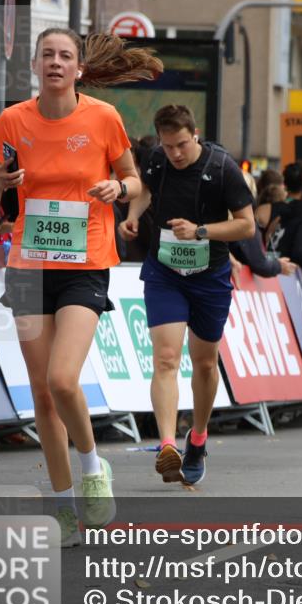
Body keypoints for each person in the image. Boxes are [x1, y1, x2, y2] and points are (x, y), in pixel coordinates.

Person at [0, 29, 160, 546]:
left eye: (65, 56)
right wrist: (1, 186)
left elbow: (137, 181)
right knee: (40, 392)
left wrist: (116, 187)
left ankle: (92, 467)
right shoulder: (13, 120)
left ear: (79, 68)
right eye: (47, 55)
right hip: (29, 266)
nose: (55, 63)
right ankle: (61, 504)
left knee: (62, 380)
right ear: (34, 65)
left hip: (86, 261)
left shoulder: (103, 118)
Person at [120, 104, 255, 486]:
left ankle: (197, 438)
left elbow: (245, 226)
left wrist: (200, 232)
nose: (175, 154)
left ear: (194, 134)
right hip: (165, 271)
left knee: (205, 362)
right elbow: (144, 190)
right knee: (165, 357)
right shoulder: (156, 160)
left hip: (209, 274)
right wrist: (133, 214)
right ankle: (167, 445)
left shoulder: (222, 167)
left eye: (181, 144)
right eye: (168, 145)